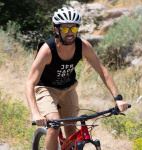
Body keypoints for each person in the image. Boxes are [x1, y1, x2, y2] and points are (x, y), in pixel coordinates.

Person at [25, 7, 129, 150]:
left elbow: (102, 71)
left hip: (68, 89)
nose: (70, 33)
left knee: (71, 129)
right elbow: (29, 83)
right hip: (46, 89)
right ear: (57, 30)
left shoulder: (83, 46)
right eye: (65, 29)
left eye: (73, 29)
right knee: (54, 126)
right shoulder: (47, 50)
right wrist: (36, 114)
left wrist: (118, 98)